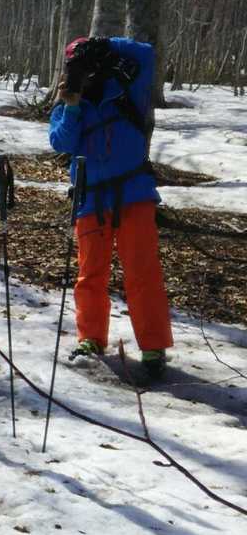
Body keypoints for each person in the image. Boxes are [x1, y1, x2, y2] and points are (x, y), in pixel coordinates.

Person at [49, 35, 172, 377]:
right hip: (91, 198)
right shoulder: (69, 103)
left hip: (134, 194)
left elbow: (146, 52)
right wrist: (72, 105)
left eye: (87, 65)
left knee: (143, 272)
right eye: (76, 67)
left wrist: (106, 44)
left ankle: (153, 347)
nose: (83, 73)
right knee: (90, 274)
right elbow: (61, 142)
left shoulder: (127, 88)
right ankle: (90, 338)